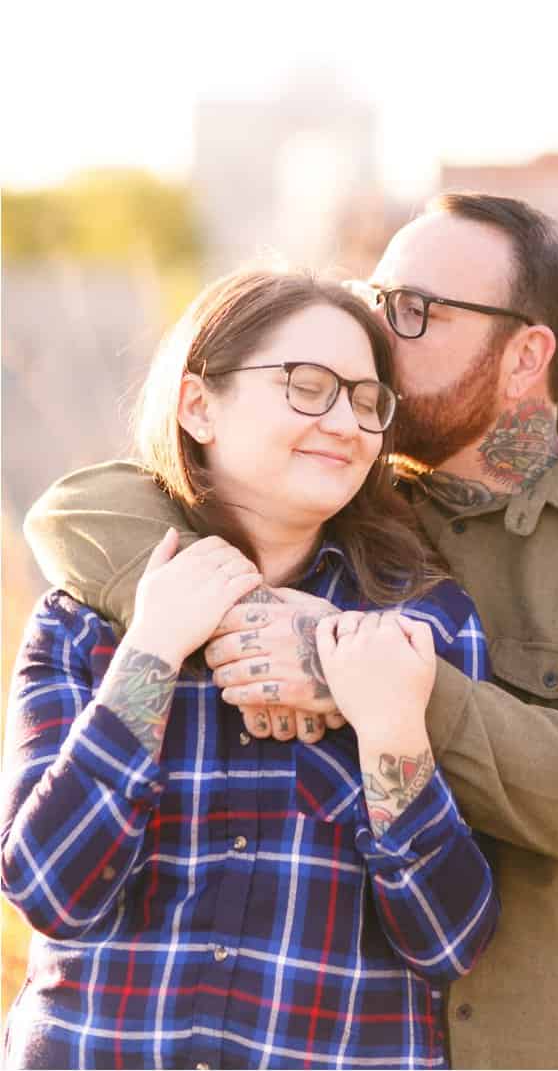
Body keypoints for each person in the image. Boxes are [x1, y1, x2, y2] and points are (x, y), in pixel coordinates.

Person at [23, 193, 558, 1070]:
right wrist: (238, 622)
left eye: (416, 311)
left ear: (525, 355)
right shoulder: (343, 484)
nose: (378, 335)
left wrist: (359, 674)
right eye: (377, 301)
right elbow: (79, 507)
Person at [2, 267, 498, 1070]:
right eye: (308, 386)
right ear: (199, 405)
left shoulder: (423, 626)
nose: (348, 422)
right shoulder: (84, 619)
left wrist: (393, 731)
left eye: (369, 401)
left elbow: (452, 941)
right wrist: (153, 651)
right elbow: (51, 891)